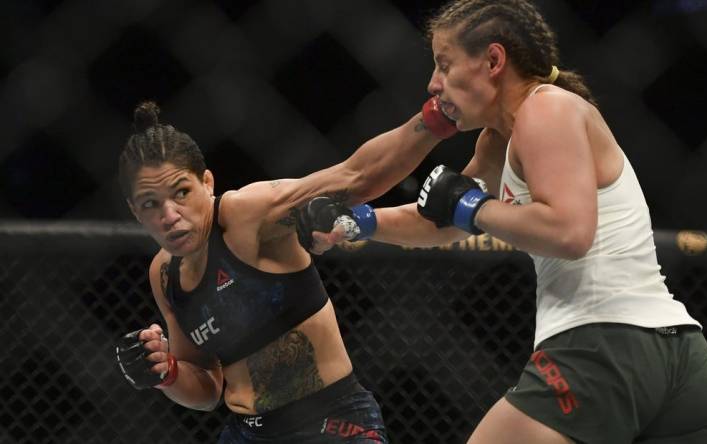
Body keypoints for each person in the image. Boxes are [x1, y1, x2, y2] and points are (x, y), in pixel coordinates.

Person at [295, 1, 707, 443]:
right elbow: (444, 218)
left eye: (445, 65)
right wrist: (359, 222)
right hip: (679, 356)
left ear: (493, 60)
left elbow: (569, 232)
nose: (433, 83)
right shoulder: (499, 140)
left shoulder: (546, 111)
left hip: (604, 342)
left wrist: (472, 207)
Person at [112, 96, 458, 443]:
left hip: (329, 424)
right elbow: (206, 387)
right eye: (150, 204)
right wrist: (164, 372)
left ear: (207, 182)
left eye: (182, 192)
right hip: (246, 434)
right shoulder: (164, 275)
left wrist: (436, 118)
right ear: (134, 211)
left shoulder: (247, 215)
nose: (169, 215)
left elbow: (355, 176)